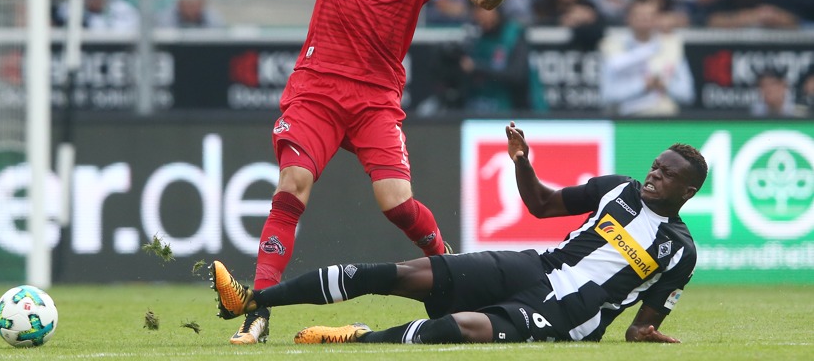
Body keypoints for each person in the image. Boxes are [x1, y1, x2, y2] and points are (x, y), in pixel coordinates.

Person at [231, 0, 535, 346]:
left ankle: (451, 270)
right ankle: (259, 308)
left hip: (375, 97)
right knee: (293, 185)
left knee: (395, 202)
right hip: (318, 87)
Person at [211, 121, 708, 345]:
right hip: (537, 266)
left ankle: (359, 339)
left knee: (467, 327)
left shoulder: (679, 251)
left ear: (686, 193)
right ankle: (252, 300)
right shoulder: (617, 189)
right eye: (656, 166)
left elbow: (643, 322)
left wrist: (648, 333)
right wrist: (522, 163)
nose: (654, 175)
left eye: (666, 175)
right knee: (411, 273)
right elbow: (540, 204)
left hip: (569, 314)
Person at [599, 0, 695, 116]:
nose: (644, 19)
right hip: (625, 120)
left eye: (650, 15)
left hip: (664, 119)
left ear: (657, 18)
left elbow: (687, 94)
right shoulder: (613, 47)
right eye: (639, 15)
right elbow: (607, 95)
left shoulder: (672, 46)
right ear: (627, 18)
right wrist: (643, 86)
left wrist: (663, 85)